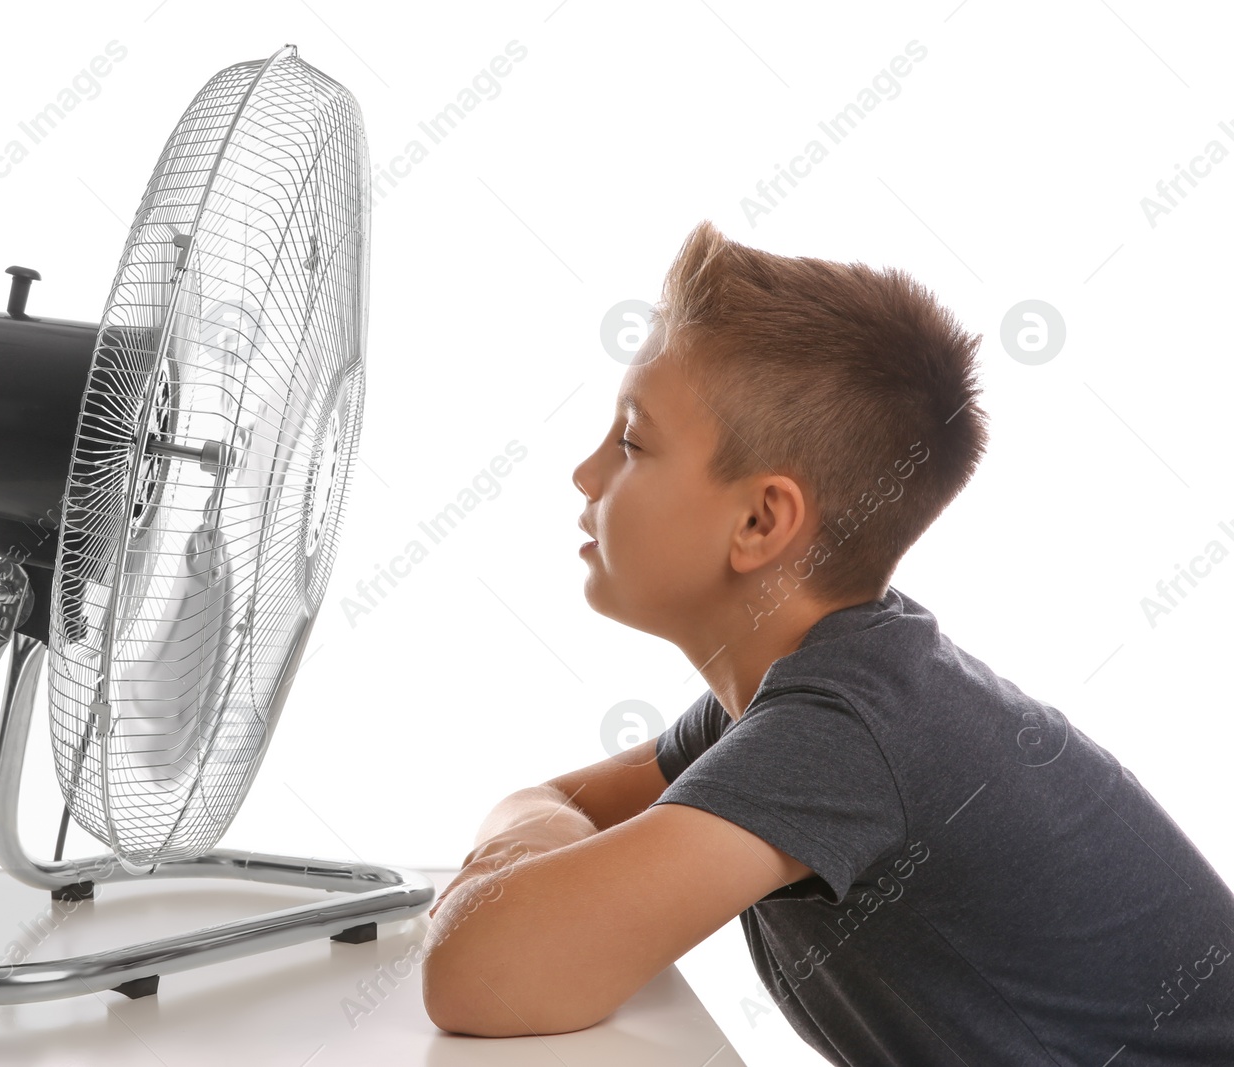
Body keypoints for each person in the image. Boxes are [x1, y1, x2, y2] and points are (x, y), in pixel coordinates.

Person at [419, 219, 1234, 1063]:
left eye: (631, 441)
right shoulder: (797, 694)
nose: (585, 474)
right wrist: (527, 858)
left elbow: (478, 973)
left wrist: (517, 872)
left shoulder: (846, 730)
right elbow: (551, 805)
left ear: (760, 521)